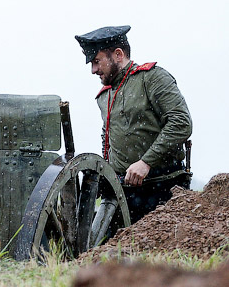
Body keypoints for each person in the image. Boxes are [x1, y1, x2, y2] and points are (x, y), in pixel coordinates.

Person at [75, 25, 193, 223]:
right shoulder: (105, 96)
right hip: (123, 195)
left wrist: (146, 162)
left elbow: (181, 123)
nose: (93, 70)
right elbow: (108, 140)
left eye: (97, 62)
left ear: (118, 54)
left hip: (164, 190)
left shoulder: (153, 78)